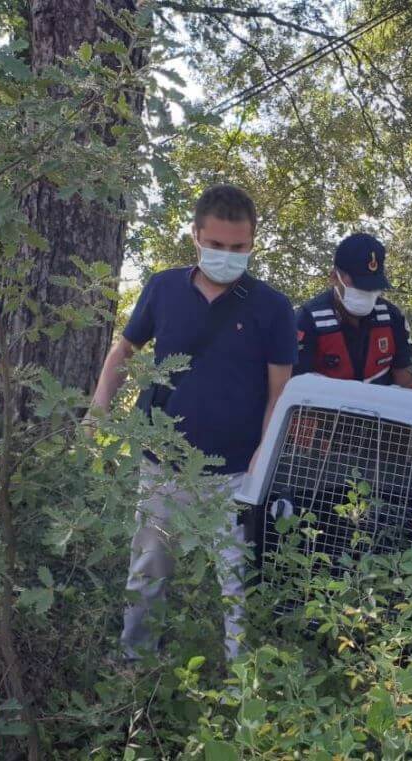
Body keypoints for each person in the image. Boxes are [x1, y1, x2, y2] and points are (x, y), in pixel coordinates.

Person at [89, 184, 297, 661]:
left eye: (239, 247)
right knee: (148, 569)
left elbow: (279, 394)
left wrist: (261, 465)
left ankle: (241, 683)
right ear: (196, 237)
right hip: (164, 465)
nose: (227, 255)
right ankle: (135, 667)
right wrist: (97, 410)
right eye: (218, 245)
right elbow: (124, 351)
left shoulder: (272, 307)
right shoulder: (163, 288)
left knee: (238, 584)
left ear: (252, 243)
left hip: (236, 473)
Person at [294, 233, 412, 389]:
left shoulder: (392, 318)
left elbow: (405, 379)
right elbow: (293, 386)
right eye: (359, 284)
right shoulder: (308, 319)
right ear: (335, 278)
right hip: (322, 409)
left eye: (372, 286)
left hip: (380, 407)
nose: (367, 291)